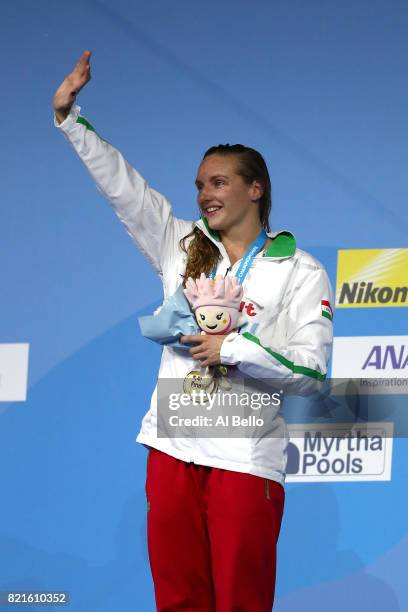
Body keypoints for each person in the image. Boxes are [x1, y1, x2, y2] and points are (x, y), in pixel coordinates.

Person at [53, 50, 333, 612]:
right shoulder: (180, 244)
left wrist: (232, 347)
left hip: (244, 458)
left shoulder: (300, 269)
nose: (205, 193)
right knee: (177, 600)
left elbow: (311, 369)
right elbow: (124, 189)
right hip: (172, 447)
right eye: (200, 183)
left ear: (256, 189)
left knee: (240, 603)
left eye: (220, 181)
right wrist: (69, 118)